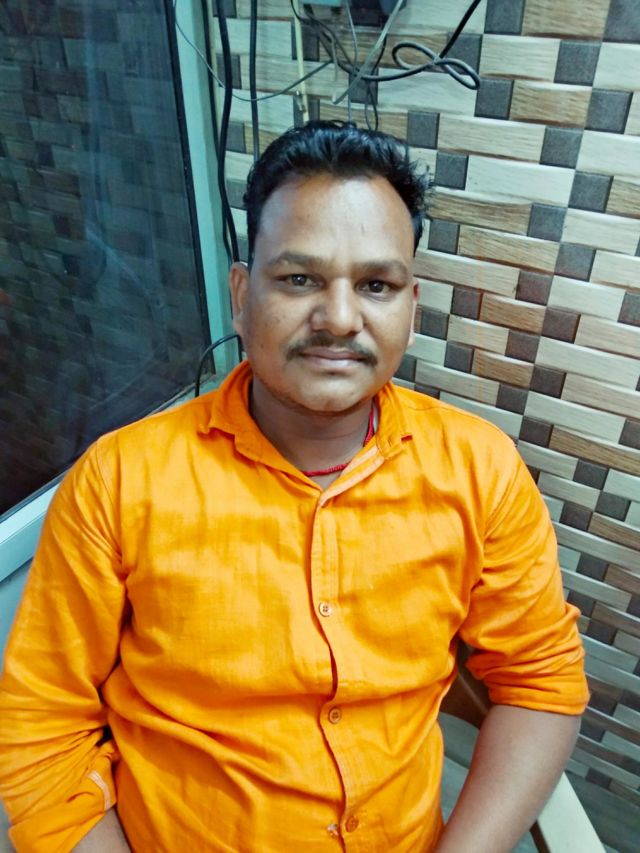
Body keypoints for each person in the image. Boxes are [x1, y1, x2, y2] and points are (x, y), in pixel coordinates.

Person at [0, 121, 588, 853]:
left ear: (411, 308)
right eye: (299, 279)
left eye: (376, 285)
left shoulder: (480, 469)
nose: (339, 318)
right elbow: (41, 725)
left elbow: (540, 680)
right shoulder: (119, 481)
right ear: (241, 294)